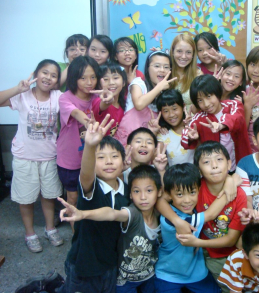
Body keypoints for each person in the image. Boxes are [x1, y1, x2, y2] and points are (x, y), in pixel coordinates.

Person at [58, 164, 162, 293]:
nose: (143, 197)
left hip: (149, 275)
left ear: (159, 192)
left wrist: (161, 169)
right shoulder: (133, 214)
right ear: (130, 194)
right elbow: (112, 214)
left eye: (149, 191)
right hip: (125, 281)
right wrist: (83, 214)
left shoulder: (160, 214)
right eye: (136, 191)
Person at [57, 115, 131, 292]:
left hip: (111, 264)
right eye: (101, 157)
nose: (109, 162)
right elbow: (86, 173)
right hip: (84, 266)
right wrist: (90, 146)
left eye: (114, 156)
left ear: (124, 161)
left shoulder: (127, 190)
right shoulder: (92, 187)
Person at [0, 60, 63, 252]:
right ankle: (30, 234)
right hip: (24, 157)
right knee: (26, 198)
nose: (48, 78)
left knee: (49, 196)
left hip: (49, 156)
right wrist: (17, 89)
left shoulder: (58, 96)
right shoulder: (23, 96)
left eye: (53, 75)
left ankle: (50, 228)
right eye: (45, 73)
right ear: (35, 74)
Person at [176, 141, 247, 292]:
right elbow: (167, 196)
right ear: (199, 169)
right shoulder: (196, 188)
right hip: (204, 254)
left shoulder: (239, 194)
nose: (214, 165)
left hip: (231, 253)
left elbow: (231, 240)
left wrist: (197, 242)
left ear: (229, 164)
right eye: (206, 162)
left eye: (219, 160)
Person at [155, 163, 229, 293]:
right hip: (169, 273)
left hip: (196, 272)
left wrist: (229, 180)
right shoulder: (171, 219)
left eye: (192, 192)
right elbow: (211, 214)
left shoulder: (194, 210)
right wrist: (230, 187)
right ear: (169, 194)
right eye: (180, 194)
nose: (187, 200)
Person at [57, 56, 114, 214]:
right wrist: (88, 122)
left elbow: (101, 105)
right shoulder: (65, 97)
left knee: (93, 196)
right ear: (74, 78)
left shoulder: (96, 97)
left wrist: (108, 100)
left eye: (93, 77)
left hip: (93, 158)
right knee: (73, 198)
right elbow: (75, 112)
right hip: (70, 160)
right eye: (83, 78)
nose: (89, 82)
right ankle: (76, 233)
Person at [182, 74, 251, 172]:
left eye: (209, 96)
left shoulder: (233, 105)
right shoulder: (199, 118)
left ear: (217, 93)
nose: (206, 104)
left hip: (242, 165)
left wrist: (221, 125)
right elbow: (185, 136)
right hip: (215, 171)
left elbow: (237, 118)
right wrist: (190, 136)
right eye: (200, 100)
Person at [114, 51, 176, 146]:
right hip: (126, 144)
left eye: (166, 67)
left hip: (147, 147)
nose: (162, 70)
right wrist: (159, 87)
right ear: (147, 68)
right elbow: (139, 104)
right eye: (157, 66)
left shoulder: (165, 94)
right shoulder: (138, 83)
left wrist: (163, 127)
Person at [156, 89, 195, 166]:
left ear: (183, 107)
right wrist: (153, 132)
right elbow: (156, 157)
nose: (171, 115)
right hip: (174, 176)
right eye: (166, 111)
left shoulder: (193, 128)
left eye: (174, 109)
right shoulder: (163, 134)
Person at [92, 62, 128, 137]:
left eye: (115, 78)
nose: (111, 82)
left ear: (124, 82)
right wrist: (108, 100)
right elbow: (104, 103)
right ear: (99, 84)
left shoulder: (124, 101)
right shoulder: (98, 101)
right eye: (105, 79)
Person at [169, 33, 202, 111]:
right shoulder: (165, 72)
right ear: (173, 51)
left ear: (193, 54)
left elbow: (201, 107)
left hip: (191, 120)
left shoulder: (198, 75)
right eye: (179, 51)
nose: (183, 56)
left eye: (188, 52)